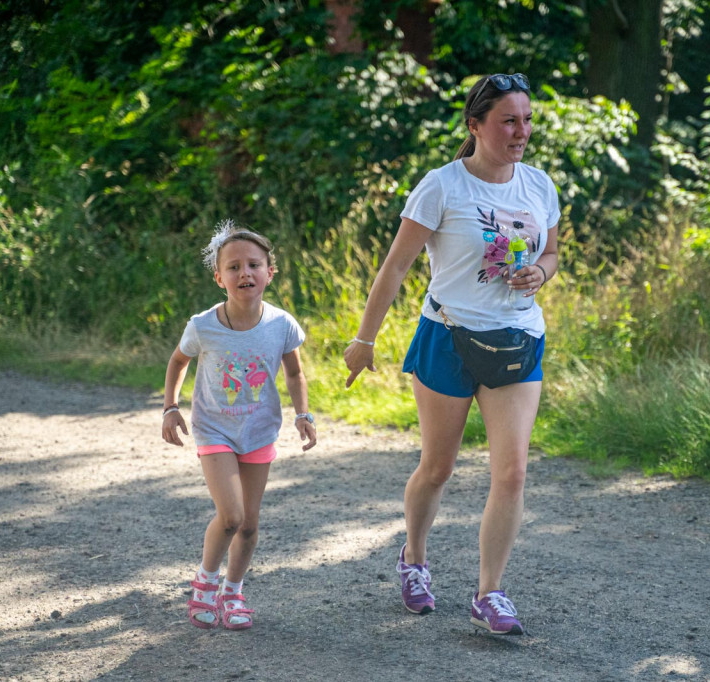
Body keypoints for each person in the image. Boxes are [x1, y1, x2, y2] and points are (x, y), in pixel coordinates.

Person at [344, 73, 559, 636]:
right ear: (476, 125)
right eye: (509, 120)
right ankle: (414, 559)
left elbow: (554, 253)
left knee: (511, 473)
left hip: (517, 340)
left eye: (527, 119)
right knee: (438, 468)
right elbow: (396, 266)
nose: (522, 131)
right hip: (448, 336)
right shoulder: (442, 186)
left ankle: (490, 593)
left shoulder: (538, 185)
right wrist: (364, 339)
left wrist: (539, 271)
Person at [162, 220, 317, 631]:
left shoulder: (282, 324)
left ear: (270, 271)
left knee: (249, 523)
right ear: (219, 278)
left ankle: (234, 591)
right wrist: (170, 407)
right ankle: (205, 584)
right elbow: (179, 361)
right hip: (215, 430)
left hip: (259, 431)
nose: (244, 273)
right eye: (233, 267)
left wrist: (303, 414)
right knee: (229, 515)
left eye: (254, 264)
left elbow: (295, 374)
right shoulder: (203, 325)